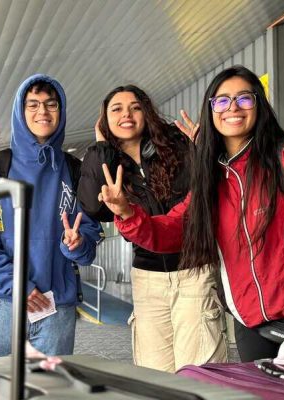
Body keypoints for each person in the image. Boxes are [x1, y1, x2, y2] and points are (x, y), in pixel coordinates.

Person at [98, 65, 284, 364]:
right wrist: (128, 214)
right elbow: (174, 228)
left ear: (259, 105)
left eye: (244, 98)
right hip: (248, 320)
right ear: (211, 110)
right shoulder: (210, 177)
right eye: (222, 101)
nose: (233, 108)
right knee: (254, 390)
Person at [77, 85, 227, 372]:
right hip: (148, 278)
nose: (126, 114)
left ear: (146, 112)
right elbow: (93, 207)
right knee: (154, 373)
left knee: (200, 372)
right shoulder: (109, 161)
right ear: (105, 119)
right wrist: (100, 146)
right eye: (116, 109)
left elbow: (202, 198)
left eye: (135, 107)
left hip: (193, 270)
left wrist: (204, 150)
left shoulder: (177, 144)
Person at [0, 74, 103, 358]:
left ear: (61, 111)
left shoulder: (75, 171)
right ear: (20, 110)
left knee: (47, 384)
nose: (43, 111)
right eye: (33, 104)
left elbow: (87, 240)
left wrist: (76, 244)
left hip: (57, 306)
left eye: (51, 104)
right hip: (1, 303)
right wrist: (16, 285)